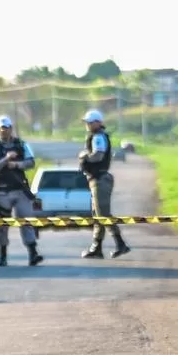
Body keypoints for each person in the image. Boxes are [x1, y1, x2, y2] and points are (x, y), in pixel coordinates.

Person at [0, 115, 43, 268]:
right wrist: (6, 159)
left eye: (7, 128)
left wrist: (17, 165)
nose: (4, 131)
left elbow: (31, 162)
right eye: (1, 128)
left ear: (11, 128)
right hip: (2, 191)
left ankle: (33, 253)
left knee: (26, 221)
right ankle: (2, 256)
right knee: (2, 225)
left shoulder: (21, 144)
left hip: (20, 189)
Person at [78, 109, 131, 259]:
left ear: (98, 123)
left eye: (90, 122)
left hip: (100, 179)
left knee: (103, 214)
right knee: (98, 215)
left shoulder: (98, 137)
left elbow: (98, 155)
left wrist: (85, 157)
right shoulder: (97, 136)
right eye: (87, 122)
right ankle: (97, 247)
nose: (88, 125)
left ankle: (120, 244)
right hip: (96, 179)